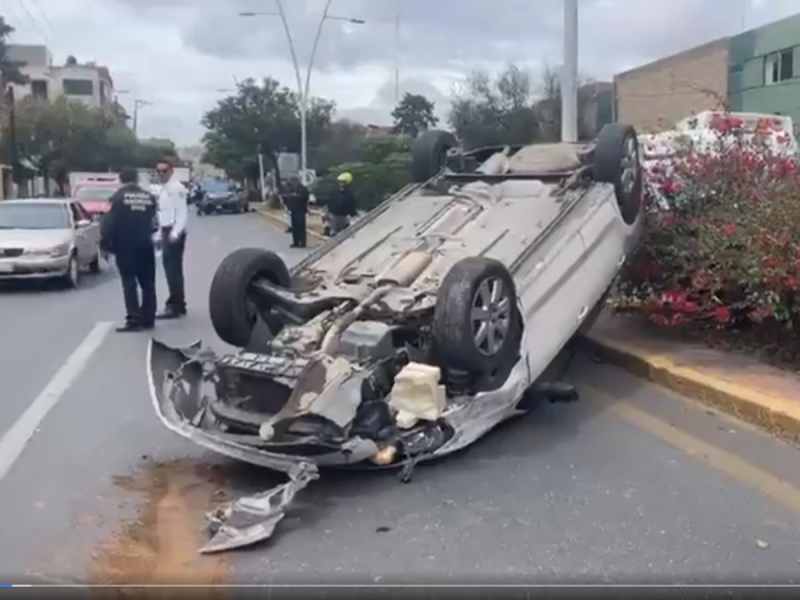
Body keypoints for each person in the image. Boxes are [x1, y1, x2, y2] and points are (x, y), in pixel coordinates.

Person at [100, 168, 158, 333]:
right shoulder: (150, 198)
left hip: (125, 246)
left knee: (129, 282)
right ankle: (148, 319)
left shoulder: (117, 199)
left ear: (120, 179)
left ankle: (134, 319)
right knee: (148, 283)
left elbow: (108, 224)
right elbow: (155, 222)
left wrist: (104, 245)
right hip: (146, 245)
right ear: (137, 179)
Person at [154, 158, 189, 319]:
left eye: (164, 171)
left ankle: (176, 305)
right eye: (158, 171)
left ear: (171, 171)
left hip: (174, 232)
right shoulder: (164, 189)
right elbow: (164, 214)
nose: (161, 174)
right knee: (171, 270)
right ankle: (177, 303)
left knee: (173, 271)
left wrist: (175, 233)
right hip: (167, 230)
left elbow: (181, 213)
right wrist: (160, 234)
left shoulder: (176, 188)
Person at [326, 172, 357, 236]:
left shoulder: (350, 193)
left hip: (345, 216)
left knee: (345, 234)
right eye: (340, 181)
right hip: (335, 215)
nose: (341, 183)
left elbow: (352, 205)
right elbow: (330, 202)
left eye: (343, 182)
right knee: (334, 233)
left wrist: (353, 214)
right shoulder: (334, 191)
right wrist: (329, 212)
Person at [283, 177, 310, 248]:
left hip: (300, 210)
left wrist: (294, 197)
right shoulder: (292, 188)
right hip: (293, 209)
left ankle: (302, 242)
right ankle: (296, 242)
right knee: (294, 227)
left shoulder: (302, 188)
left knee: (300, 226)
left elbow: (304, 197)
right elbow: (286, 196)